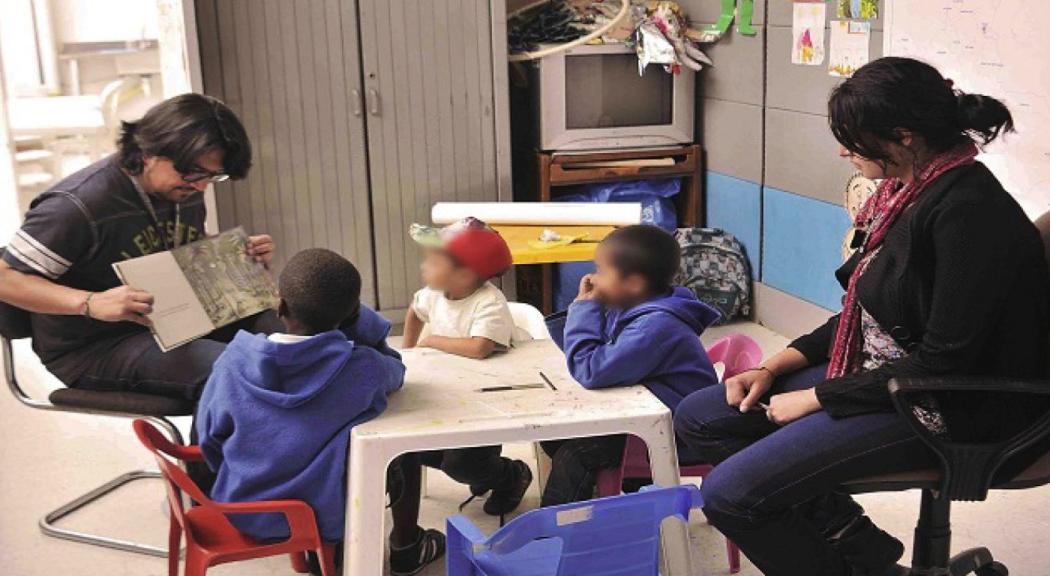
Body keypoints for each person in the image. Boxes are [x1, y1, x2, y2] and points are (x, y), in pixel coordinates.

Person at [673, 57, 1050, 576]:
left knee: (732, 495)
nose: (843, 150)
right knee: (701, 416)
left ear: (904, 137)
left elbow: (944, 362)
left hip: (957, 405)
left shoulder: (968, 214)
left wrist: (816, 398)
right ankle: (859, 549)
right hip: (897, 376)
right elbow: (868, 313)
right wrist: (775, 365)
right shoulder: (902, 196)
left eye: (854, 138)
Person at [0, 93, 278, 400]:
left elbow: (173, 245)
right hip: (96, 346)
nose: (201, 186)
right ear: (149, 151)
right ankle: (215, 449)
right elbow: (4, 277)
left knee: (298, 333)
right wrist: (89, 302)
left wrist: (232, 256)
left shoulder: (183, 190)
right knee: (234, 372)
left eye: (214, 176)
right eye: (195, 173)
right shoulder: (76, 206)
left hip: (175, 321)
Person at [195, 249, 444, 575]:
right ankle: (407, 545)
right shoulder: (361, 369)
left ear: (279, 304)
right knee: (400, 448)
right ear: (353, 314)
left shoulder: (232, 361)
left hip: (239, 507)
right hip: (321, 515)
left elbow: (207, 439)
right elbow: (396, 372)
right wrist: (360, 322)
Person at [541, 224, 720, 506]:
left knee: (577, 453)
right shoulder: (634, 306)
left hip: (679, 434)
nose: (593, 279)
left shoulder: (655, 326)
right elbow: (585, 356)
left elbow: (590, 370)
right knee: (554, 437)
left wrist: (583, 309)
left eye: (601, 271)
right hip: (650, 416)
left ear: (634, 283)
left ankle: (552, 540)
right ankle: (609, 504)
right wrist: (587, 308)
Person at [401, 216, 533, 517]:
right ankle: (485, 472)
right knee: (412, 448)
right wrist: (408, 350)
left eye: (434, 263)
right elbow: (415, 310)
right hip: (450, 391)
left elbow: (479, 347)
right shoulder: (434, 294)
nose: (424, 268)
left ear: (464, 275)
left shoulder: (489, 302)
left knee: (462, 465)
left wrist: (432, 340)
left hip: (486, 399)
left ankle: (512, 475)